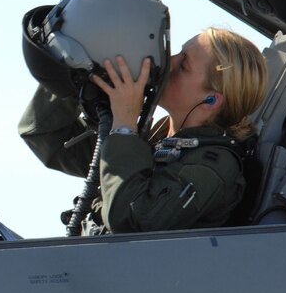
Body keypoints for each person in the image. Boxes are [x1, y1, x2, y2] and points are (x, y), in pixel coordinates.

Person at [20, 27, 268, 235]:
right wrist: (82, 72)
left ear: (211, 101)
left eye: (184, 66)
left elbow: (133, 224)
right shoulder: (155, 138)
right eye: (178, 53)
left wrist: (125, 127)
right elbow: (46, 135)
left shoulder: (213, 168)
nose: (169, 63)